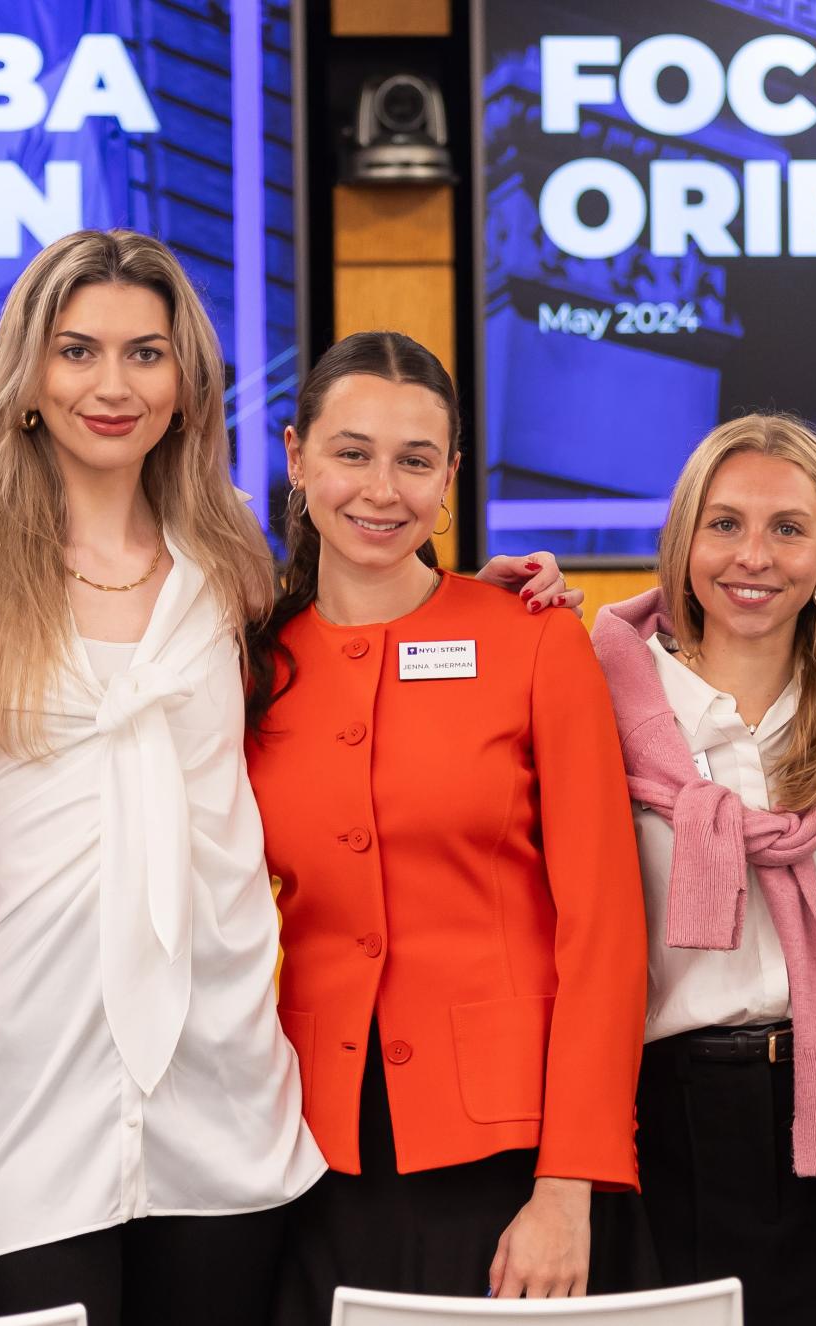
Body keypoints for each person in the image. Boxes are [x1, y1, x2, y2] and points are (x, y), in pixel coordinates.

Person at [0, 232, 583, 1323]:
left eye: (146, 354)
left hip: (221, 1095)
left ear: (187, 386)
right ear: (29, 375)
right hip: (28, 1088)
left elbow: (368, 640)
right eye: (79, 351)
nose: (113, 384)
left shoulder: (229, 569)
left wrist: (496, 600)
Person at [248, 330, 649, 1319]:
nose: (382, 490)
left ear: (451, 477)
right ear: (297, 456)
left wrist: (570, 1184)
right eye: (352, 453)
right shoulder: (249, 660)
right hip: (304, 1146)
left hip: (505, 1153)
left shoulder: (532, 637)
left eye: (415, 461)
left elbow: (605, 930)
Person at [588, 413, 816, 1326]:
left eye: (787, 528)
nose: (751, 556)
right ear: (683, 542)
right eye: (723, 524)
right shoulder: (606, 702)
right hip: (672, 1112)